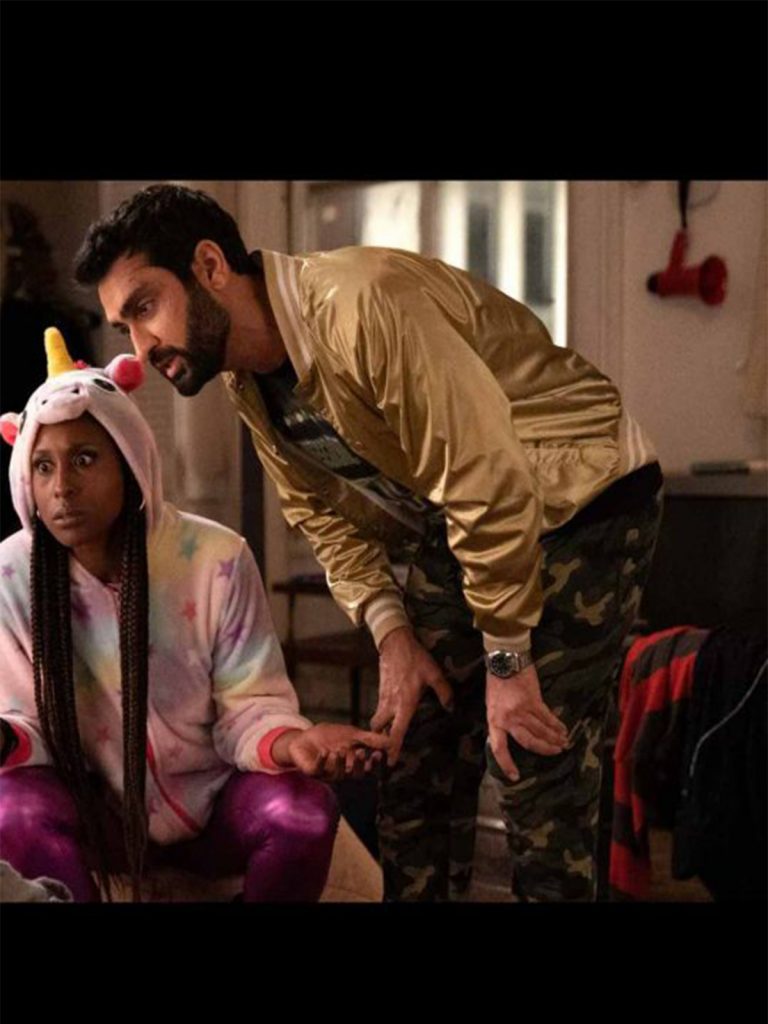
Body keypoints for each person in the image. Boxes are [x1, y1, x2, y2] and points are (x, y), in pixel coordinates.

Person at [73, 184, 663, 902]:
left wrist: (507, 659)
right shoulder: (248, 381)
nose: (141, 347)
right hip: (467, 515)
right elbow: (323, 515)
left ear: (209, 266)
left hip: (584, 495)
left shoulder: (362, 305)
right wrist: (394, 636)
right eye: (123, 326)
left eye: (145, 307)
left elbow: (486, 472)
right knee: (412, 755)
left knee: (531, 763)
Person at [0, 328, 389, 903]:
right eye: (42, 467)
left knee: (304, 814)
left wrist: (294, 744)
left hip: (213, 815)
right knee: (10, 809)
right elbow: (24, 723)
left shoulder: (216, 559)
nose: (62, 488)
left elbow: (250, 706)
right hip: (96, 823)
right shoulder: (11, 574)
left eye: (84, 459)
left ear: (130, 461)